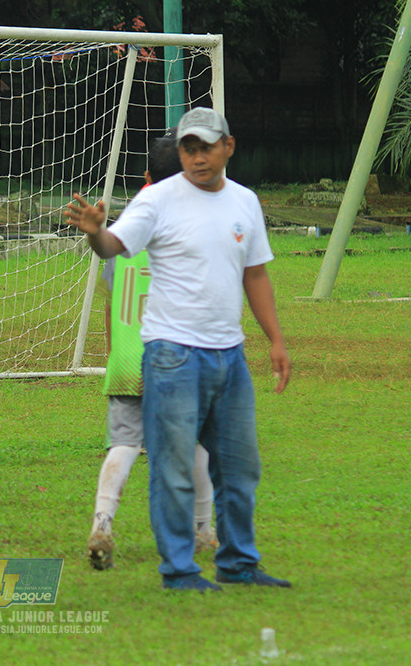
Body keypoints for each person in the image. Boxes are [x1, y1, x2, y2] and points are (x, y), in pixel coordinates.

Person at [66, 107, 292, 591]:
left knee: (238, 465)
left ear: (228, 147)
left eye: (206, 147)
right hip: (172, 355)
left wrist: (275, 339)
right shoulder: (158, 200)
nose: (196, 157)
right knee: (172, 467)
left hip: (229, 355)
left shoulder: (245, 201)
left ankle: (237, 562)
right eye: (188, 148)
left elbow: (255, 273)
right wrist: (95, 233)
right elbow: (114, 247)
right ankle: (179, 569)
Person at [87, 132, 217, 570]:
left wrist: (112, 353)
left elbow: (110, 297)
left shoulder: (123, 232)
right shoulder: (188, 229)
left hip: (127, 358)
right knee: (197, 443)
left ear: (144, 176)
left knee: (123, 444)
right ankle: (204, 529)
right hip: (176, 356)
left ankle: (102, 522)